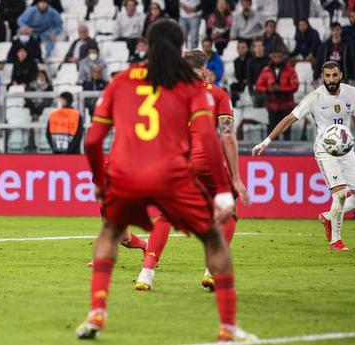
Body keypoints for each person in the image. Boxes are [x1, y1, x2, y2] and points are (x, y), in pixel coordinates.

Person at [75, 18, 256, 343]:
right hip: (172, 175)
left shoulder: (121, 80)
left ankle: (97, 311)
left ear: (146, 43)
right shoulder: (193, 89)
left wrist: (101, 182)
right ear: (178, 46)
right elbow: (209, 139)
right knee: (214, 241)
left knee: (109, 236)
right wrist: (222, 190)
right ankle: (227, 327)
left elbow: (92, 140)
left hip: (127, 173)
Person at [135, 49, 251, 292]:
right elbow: (228, 136)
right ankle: (211, 270)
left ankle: (146, 273)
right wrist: (237, 179)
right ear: (206, 70)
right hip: (206, 161)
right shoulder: (218, 94)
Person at [253, 61, 355, 251]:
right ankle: (336, 240)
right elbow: (289, 119)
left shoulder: (352, 93)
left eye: (334, 75)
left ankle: (327, 217)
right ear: (322, 77)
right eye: (327, 76)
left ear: (341, 75)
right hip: (325, 149)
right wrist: (266, 141)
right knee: (340, 194)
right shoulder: (314, 98)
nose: (331, 79)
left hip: (346, 149)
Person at [255, 43, 299, 141]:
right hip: (272, 106)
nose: (277, 59)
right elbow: (258, 85)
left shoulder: (291, 71)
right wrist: (267, 89)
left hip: (287, 107)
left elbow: (295, 86)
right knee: (273, 133)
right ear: (271, 57)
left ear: (283, 57)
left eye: (279, 57)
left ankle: (288, 155)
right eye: (274, 57)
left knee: (287, 133)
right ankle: (272, 156)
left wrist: (280, 89)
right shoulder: (266, 71)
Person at [315, 23, 355, 87]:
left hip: (343, 77)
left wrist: (352, 78)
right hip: (328, 77)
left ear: (341, 31)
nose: (335, 32)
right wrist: (316, 76)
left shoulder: (346, 45)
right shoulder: (325, 46)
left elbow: (351, 61)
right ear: (331, 31)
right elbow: (319, 61)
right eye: (333, 30)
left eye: (337, 30)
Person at [246, 38, 269, 106]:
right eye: (256, 46)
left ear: (263, 47)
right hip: (256, 89)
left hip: (268, 88)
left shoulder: (269, 60)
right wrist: (251, 92)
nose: (258, 48)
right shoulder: (250, 61)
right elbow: (249, 78)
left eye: (260, 46)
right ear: (254, 48)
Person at [230, 40, 251, 106]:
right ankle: (234, 107)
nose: (241, 49)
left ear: (247, 49)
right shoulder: (236, 61)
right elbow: (237, 75)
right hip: (241, 82)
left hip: (250, 82)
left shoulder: (251, 59)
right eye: (239, 48)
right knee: (233, 86)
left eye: (243, 47)